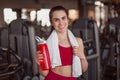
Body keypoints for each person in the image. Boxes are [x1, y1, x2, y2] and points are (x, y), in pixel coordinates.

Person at [37, 5, 88, 80]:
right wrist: (40, 64)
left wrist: (81, 56)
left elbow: (84, 69)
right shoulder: (46, 44)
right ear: (52, 23)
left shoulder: (77, 41)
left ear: (68, 19)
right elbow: (45, 73)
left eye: (63, 18)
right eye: (56, 20)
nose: (61, 23)